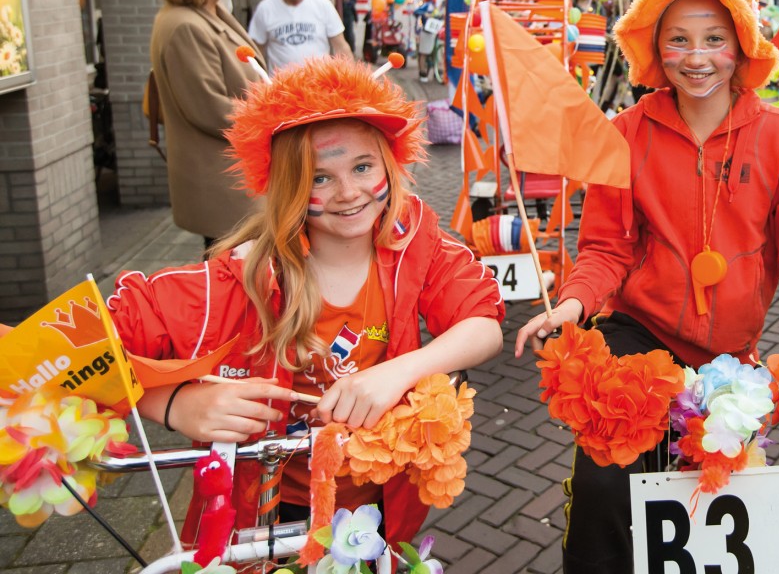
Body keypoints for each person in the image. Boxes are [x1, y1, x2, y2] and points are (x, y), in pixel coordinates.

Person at [512, 0, 779, 572]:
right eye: (678, 40)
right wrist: (573, 306)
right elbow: (606, 249)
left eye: (715, 39)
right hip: (637, 339)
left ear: (741, 46)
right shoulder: (626, 134)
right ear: (655, 51)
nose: (697, 57)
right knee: (606, 491)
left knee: (715, 505)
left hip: (730, 362)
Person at [108, 55, 505, 548]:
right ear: (288, 186)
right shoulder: (238, 278)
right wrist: (173, 404)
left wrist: (399, 371)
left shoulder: (415, 249)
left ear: (390, 165)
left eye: (363, 166)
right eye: (320, 177)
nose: (348, 192)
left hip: (377, 513)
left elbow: (483, 325)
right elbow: (89, 350)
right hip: (266, 518)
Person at [149, 0, 261, 249]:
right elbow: (213, 111)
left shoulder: (206, 14)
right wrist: (280, 112)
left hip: (237, 179)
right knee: (233, 280)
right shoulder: (184, 25)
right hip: (225, 187)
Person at [248, 0, 354, 74]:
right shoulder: (266, 9)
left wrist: (351, 81)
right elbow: (257, 52)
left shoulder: (323, 5)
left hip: (318, 85)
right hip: (282, 88)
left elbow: (341, 47)